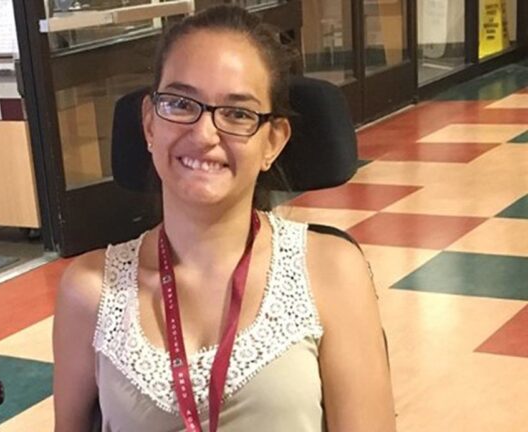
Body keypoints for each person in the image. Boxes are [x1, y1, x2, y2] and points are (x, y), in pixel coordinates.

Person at [52, 5, 396, 432]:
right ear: (148, 124)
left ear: (273, 141)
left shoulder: (330, 271)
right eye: (180, 103)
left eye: (237, 113)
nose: (204, 134)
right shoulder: (90, 290)